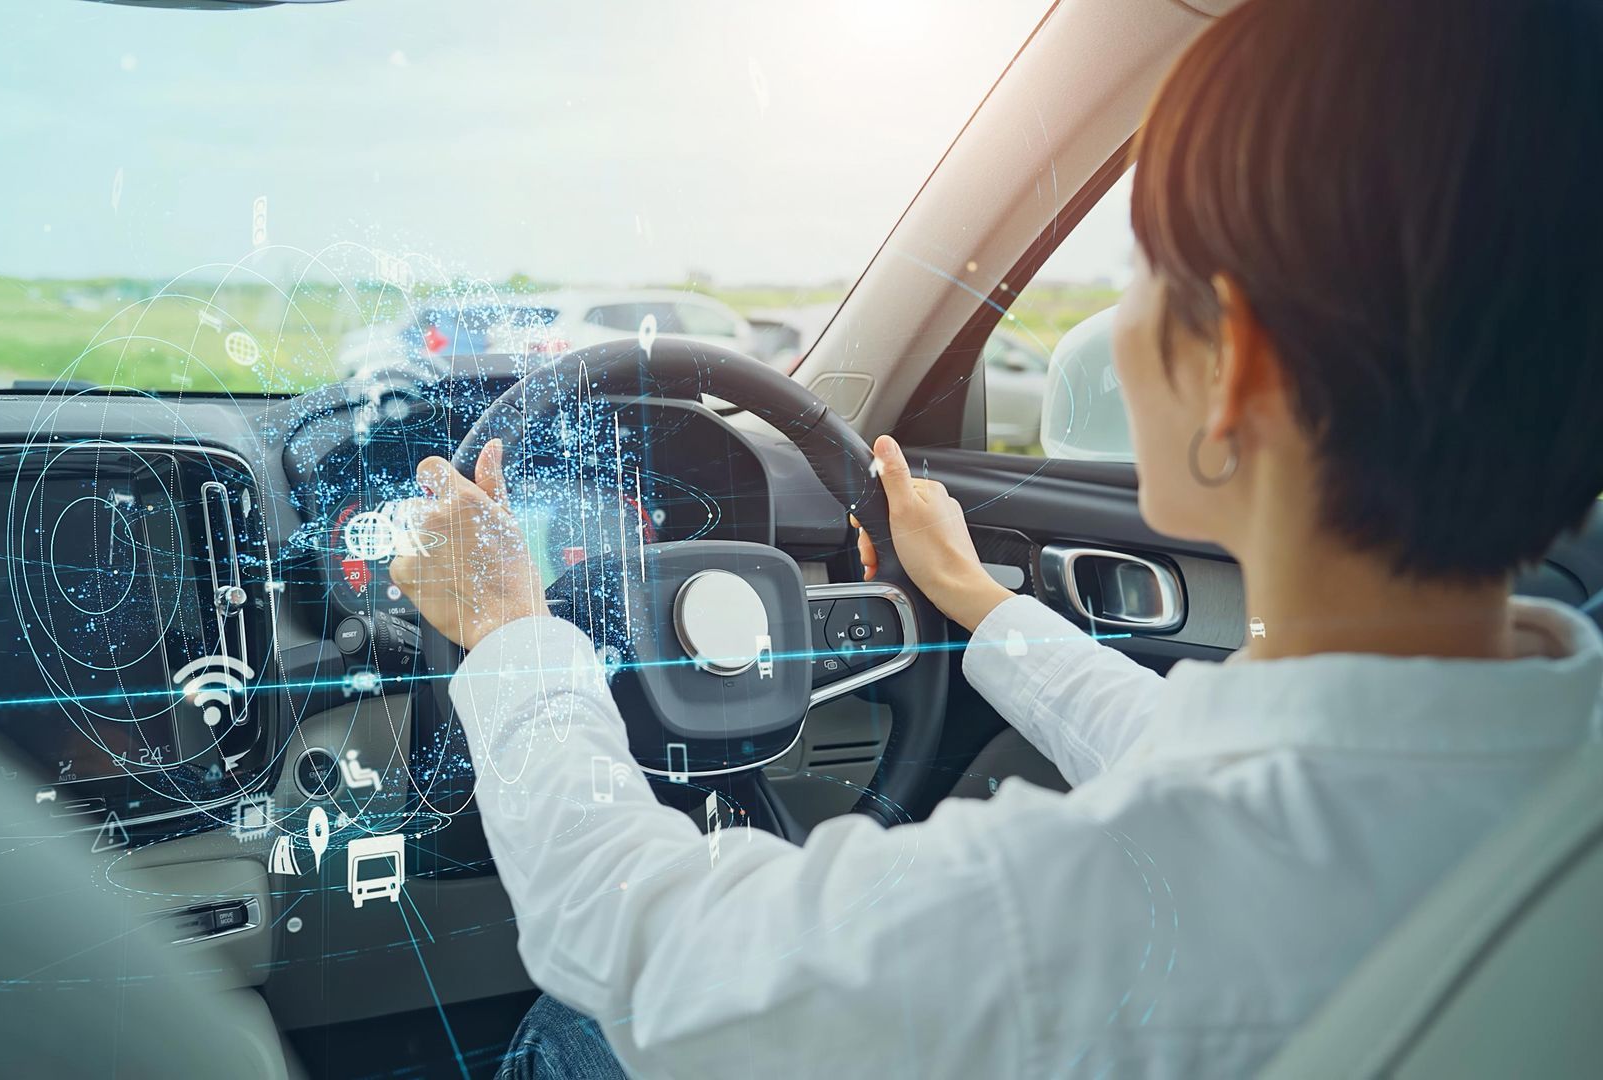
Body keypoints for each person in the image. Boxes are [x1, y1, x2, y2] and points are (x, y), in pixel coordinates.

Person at [389, 0, 1603, 1075]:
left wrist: (508, 631)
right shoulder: (1539, 782)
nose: (1116, 332)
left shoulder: (1079, 912)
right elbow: (1219, 759)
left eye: (1146, 276)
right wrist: (979, 601)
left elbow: (630, 938)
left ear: (1232, 364)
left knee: (576, 1032)